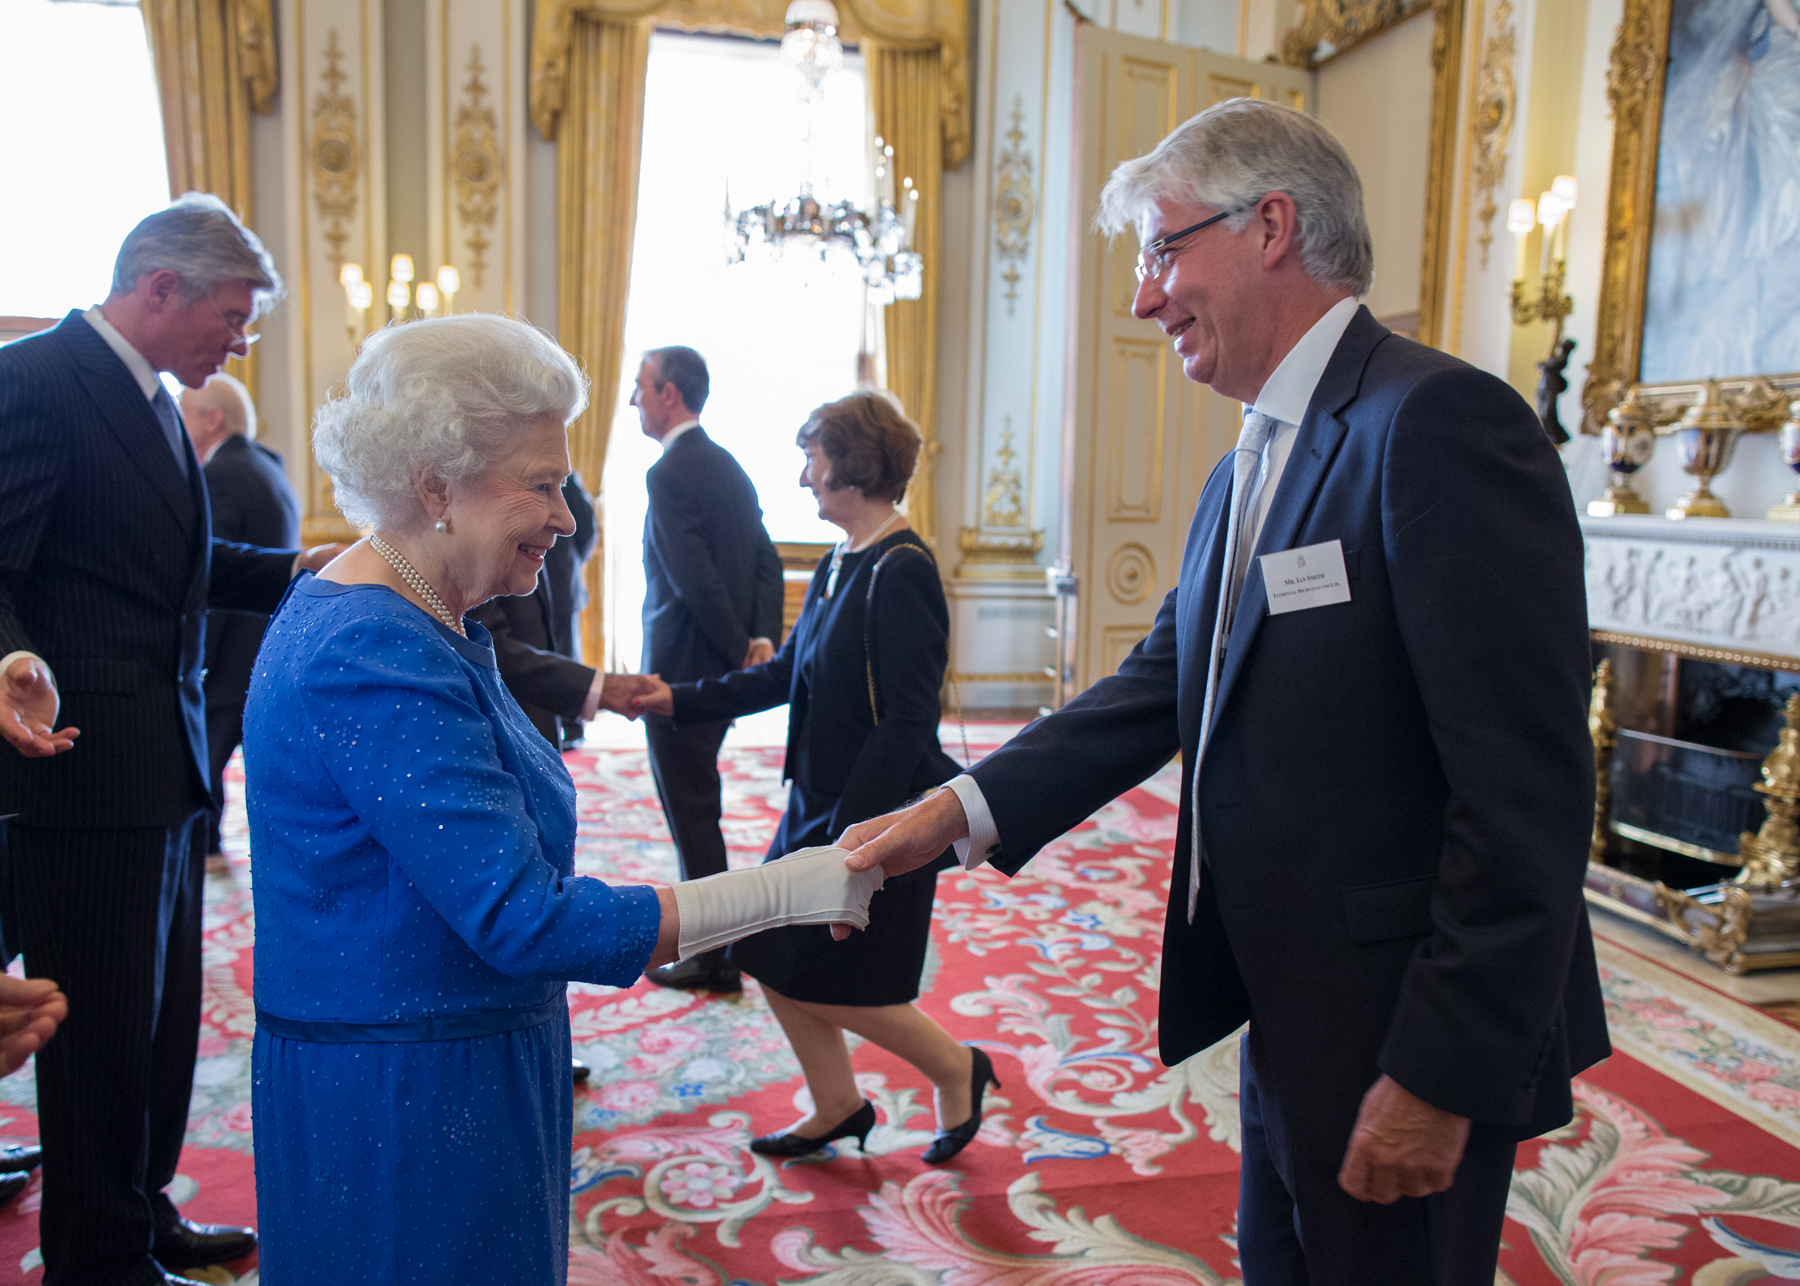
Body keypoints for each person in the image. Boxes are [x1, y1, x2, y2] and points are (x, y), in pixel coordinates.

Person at [835, 99, 1609, 1282]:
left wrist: (1439, 1070)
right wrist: (960, 809)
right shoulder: (1246, 456)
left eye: (1160, 249)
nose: (1144, 298)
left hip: (1405, 1022)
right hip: (1288, 999)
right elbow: (1160, 684)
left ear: (1272, 227)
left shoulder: (1437, 423)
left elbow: (1528, 792)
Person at [245, 313, 882, 1283]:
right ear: (435, 485)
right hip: (407, 1098)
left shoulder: (426, 612)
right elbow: (523, 917)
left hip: (459, 1057)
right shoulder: (371, 647)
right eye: (542, 484)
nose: (567, 517)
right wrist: (786, 889)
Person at [0, 193, 344, 1286]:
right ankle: (96, 1259)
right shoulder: (35, 383)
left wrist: (298, 568)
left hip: (165, 766)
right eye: (234, 316)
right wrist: (8, 660)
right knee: (98, 1039)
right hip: (82, 770)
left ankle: (141, 1215)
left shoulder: (145, 394)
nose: (240, 341)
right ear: (160, 288)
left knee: (158, 1027)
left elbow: (168, 565)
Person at [633, 390, 987, 1163]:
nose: (803, 479)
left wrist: (849, 840)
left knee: (838, 979)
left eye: (813, 462)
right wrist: (677, 700)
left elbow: (906, 726)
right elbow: (785, 675)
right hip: (817, 808)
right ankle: (837, 1105)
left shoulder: (903, 571)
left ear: (852, 468)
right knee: (769, 955)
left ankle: (959, 1069)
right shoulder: (839, 561)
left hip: (877, 822)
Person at [632, 346, 785, 993]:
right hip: (719, 671)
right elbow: (767, 562)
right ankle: (717, 945)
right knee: (702, 805)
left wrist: (733, 647)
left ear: (671, 395)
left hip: (681, 678)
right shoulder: (730, 467)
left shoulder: (667, 474)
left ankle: (716, 954)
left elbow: (692, 577)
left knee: (692, 810)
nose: (633, 400)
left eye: (639, 388)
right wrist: (758, 641)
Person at [180, 371, 301, 869]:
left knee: (206, 751)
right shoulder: (267, 465)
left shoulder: (220, 474)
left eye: (184, 415)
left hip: (235, 646)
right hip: (268, 639)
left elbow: (213, 570)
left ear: (212, 418)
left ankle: (203, 846)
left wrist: (200, 656)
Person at [471, 474, 601, 750]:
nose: (566, 523)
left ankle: (570, 726)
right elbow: (495, 647)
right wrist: (602, 688)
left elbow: (586, 529)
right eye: (542, 488)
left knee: (560, 653)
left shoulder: (563, 476)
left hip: (561, 586)